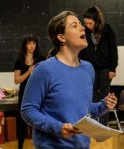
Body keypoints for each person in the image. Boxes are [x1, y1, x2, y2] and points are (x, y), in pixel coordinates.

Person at [20, 11, 118, 149]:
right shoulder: (44, 70)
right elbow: (28, 110)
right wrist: (58, 128)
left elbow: (84, 110)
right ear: (61, 37)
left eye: (80, 24)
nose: (82, 27)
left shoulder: (88, 69)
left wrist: (103, 105)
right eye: (74, 25)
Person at [79, 6, 118, 125]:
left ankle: (103, 124)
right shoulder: (85, 31)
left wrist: (113, 68)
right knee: (92, 96)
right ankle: (92, 124)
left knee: (104, 96)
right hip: (89, 68)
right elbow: (81, 49)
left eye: (90, 23)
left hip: (105, 68)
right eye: (85, 23)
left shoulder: (107, 29)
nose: (87, 26)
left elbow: (113, 49)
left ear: (96, 21)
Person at [14, 33, 45, 149]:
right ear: (25, 45)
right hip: (24, 94)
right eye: (29, 43)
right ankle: (20, 146)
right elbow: (17, 80)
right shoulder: (19, 60)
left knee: (39, 120)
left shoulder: (41, 59)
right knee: (22, 123)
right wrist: (28, 72)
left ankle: (40, 145)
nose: (32, 46)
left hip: (39, 93)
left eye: (34, 43)